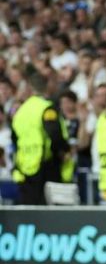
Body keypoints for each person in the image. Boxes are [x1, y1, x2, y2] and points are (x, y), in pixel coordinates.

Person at [11, 73, 71, 204]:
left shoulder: (20, 111)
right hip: (46, 164)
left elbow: (14, 138)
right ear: (47, 87)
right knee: (48, 210)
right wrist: (65, 150)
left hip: (24, 165)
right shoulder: (46, 108)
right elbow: (54, 133)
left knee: (29, 209)